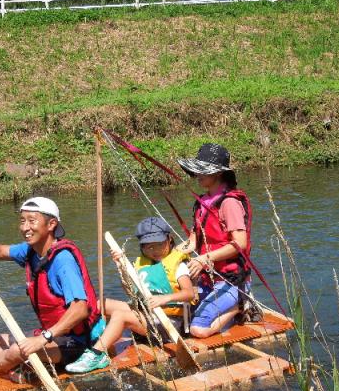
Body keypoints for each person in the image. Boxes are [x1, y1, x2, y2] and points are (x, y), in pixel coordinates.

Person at [0, 196, 103, 381]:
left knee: (16, 351)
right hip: (51, 337)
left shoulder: (63, 260)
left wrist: (43, 338)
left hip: (76, 343)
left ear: (51, 224)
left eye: (32, 221)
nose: (25, 227)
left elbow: (80, 309)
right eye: (22, 221)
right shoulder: (31, 251)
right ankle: (20, 369)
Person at [64, 217, 195, 374]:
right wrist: (121, 267)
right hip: (146, 313)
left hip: (168, 323)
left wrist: (164, 299)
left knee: (120, 316)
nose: (154, 250)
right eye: (148, 247)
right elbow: (130, 292)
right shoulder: (143, 264)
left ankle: (97, 355)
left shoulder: (178, 266)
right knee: (100, 304)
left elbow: (189, 293)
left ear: (169, 239)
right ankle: (89, 340)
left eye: (159, 244)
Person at [176, 143, 252, 338]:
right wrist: (168, 256)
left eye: (203, 171)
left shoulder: (229, 203)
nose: (197, 175)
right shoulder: (202, 202)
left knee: (197, 329)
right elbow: (193, 242)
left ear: (218, 173)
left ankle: (240, 304)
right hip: (208, 278)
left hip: (231, 281)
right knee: (181, 319)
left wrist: (204, 258)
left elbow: (240, 243)